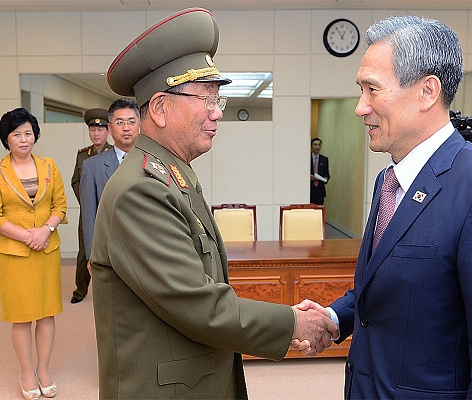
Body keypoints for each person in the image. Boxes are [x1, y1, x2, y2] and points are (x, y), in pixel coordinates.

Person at [294, 16, 472, 399]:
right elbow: (400, 284)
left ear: (428, 92)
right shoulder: (389, 180)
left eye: (372, 90)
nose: (361, 108)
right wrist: (334, 317)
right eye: (360, 90)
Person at [90, 8, 337, 399]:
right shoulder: (142, 190)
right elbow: (199, 303)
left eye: (218, 98)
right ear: (159, 108)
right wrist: (292, 323)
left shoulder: (174, 174)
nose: (218, 112)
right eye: (205, 98)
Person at [0, 108, 68, 400]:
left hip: (47, 249)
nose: (24, 139)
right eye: (17, 134)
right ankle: (26, 372)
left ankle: (43, 369)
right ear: (7, 139)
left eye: (28, 133)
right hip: (15, 253)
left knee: (46, 314)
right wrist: (28, 235)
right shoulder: (0, 172)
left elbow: (60, 206)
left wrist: (45, 231)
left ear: (35, 135)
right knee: (22, 317)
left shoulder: (49, 166)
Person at [80, 98, 140, 267]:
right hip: (110, 251)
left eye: (131, 122)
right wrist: (92, 256)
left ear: (139, 125)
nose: (126, 127)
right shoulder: (92, 167)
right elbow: (89, 216)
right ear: (110, 128)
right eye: (119, 122)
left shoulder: (153, 161)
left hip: (147, 249)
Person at [70, 108, 111, 304]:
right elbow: (75, 181)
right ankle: (80, 290)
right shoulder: (82, 155)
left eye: (100, 130)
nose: (96, 133)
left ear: (108, 131)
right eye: (93, 129)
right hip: (87, 213)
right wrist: (86, 201)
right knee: (84, 252)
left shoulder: (113, 155)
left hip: (107, 212)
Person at [310, 137, 330, 205]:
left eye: (319, 145)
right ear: (311, 146)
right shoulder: (307, 158)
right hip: (310, 188)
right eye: (315, 145)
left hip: (320, 188)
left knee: (319, 209)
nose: (317, 147)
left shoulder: (324, 159)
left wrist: (326, 178)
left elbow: (327, 174)